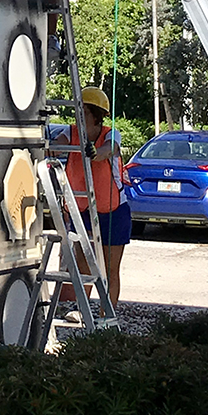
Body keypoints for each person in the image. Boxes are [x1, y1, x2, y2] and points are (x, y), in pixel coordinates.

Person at [51, 86, 130, 310]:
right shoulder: (70, 132)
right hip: (81, 209)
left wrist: (96, 153)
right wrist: (51, 149)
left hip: (113, 211)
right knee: (83, 265)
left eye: (84, 111)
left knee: (109, 269)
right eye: (78, 110)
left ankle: (107, 316)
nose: (79, 115)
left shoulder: (111, 134)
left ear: (97, 115)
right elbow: (58, 144)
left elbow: (108, 149)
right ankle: (80, 310)